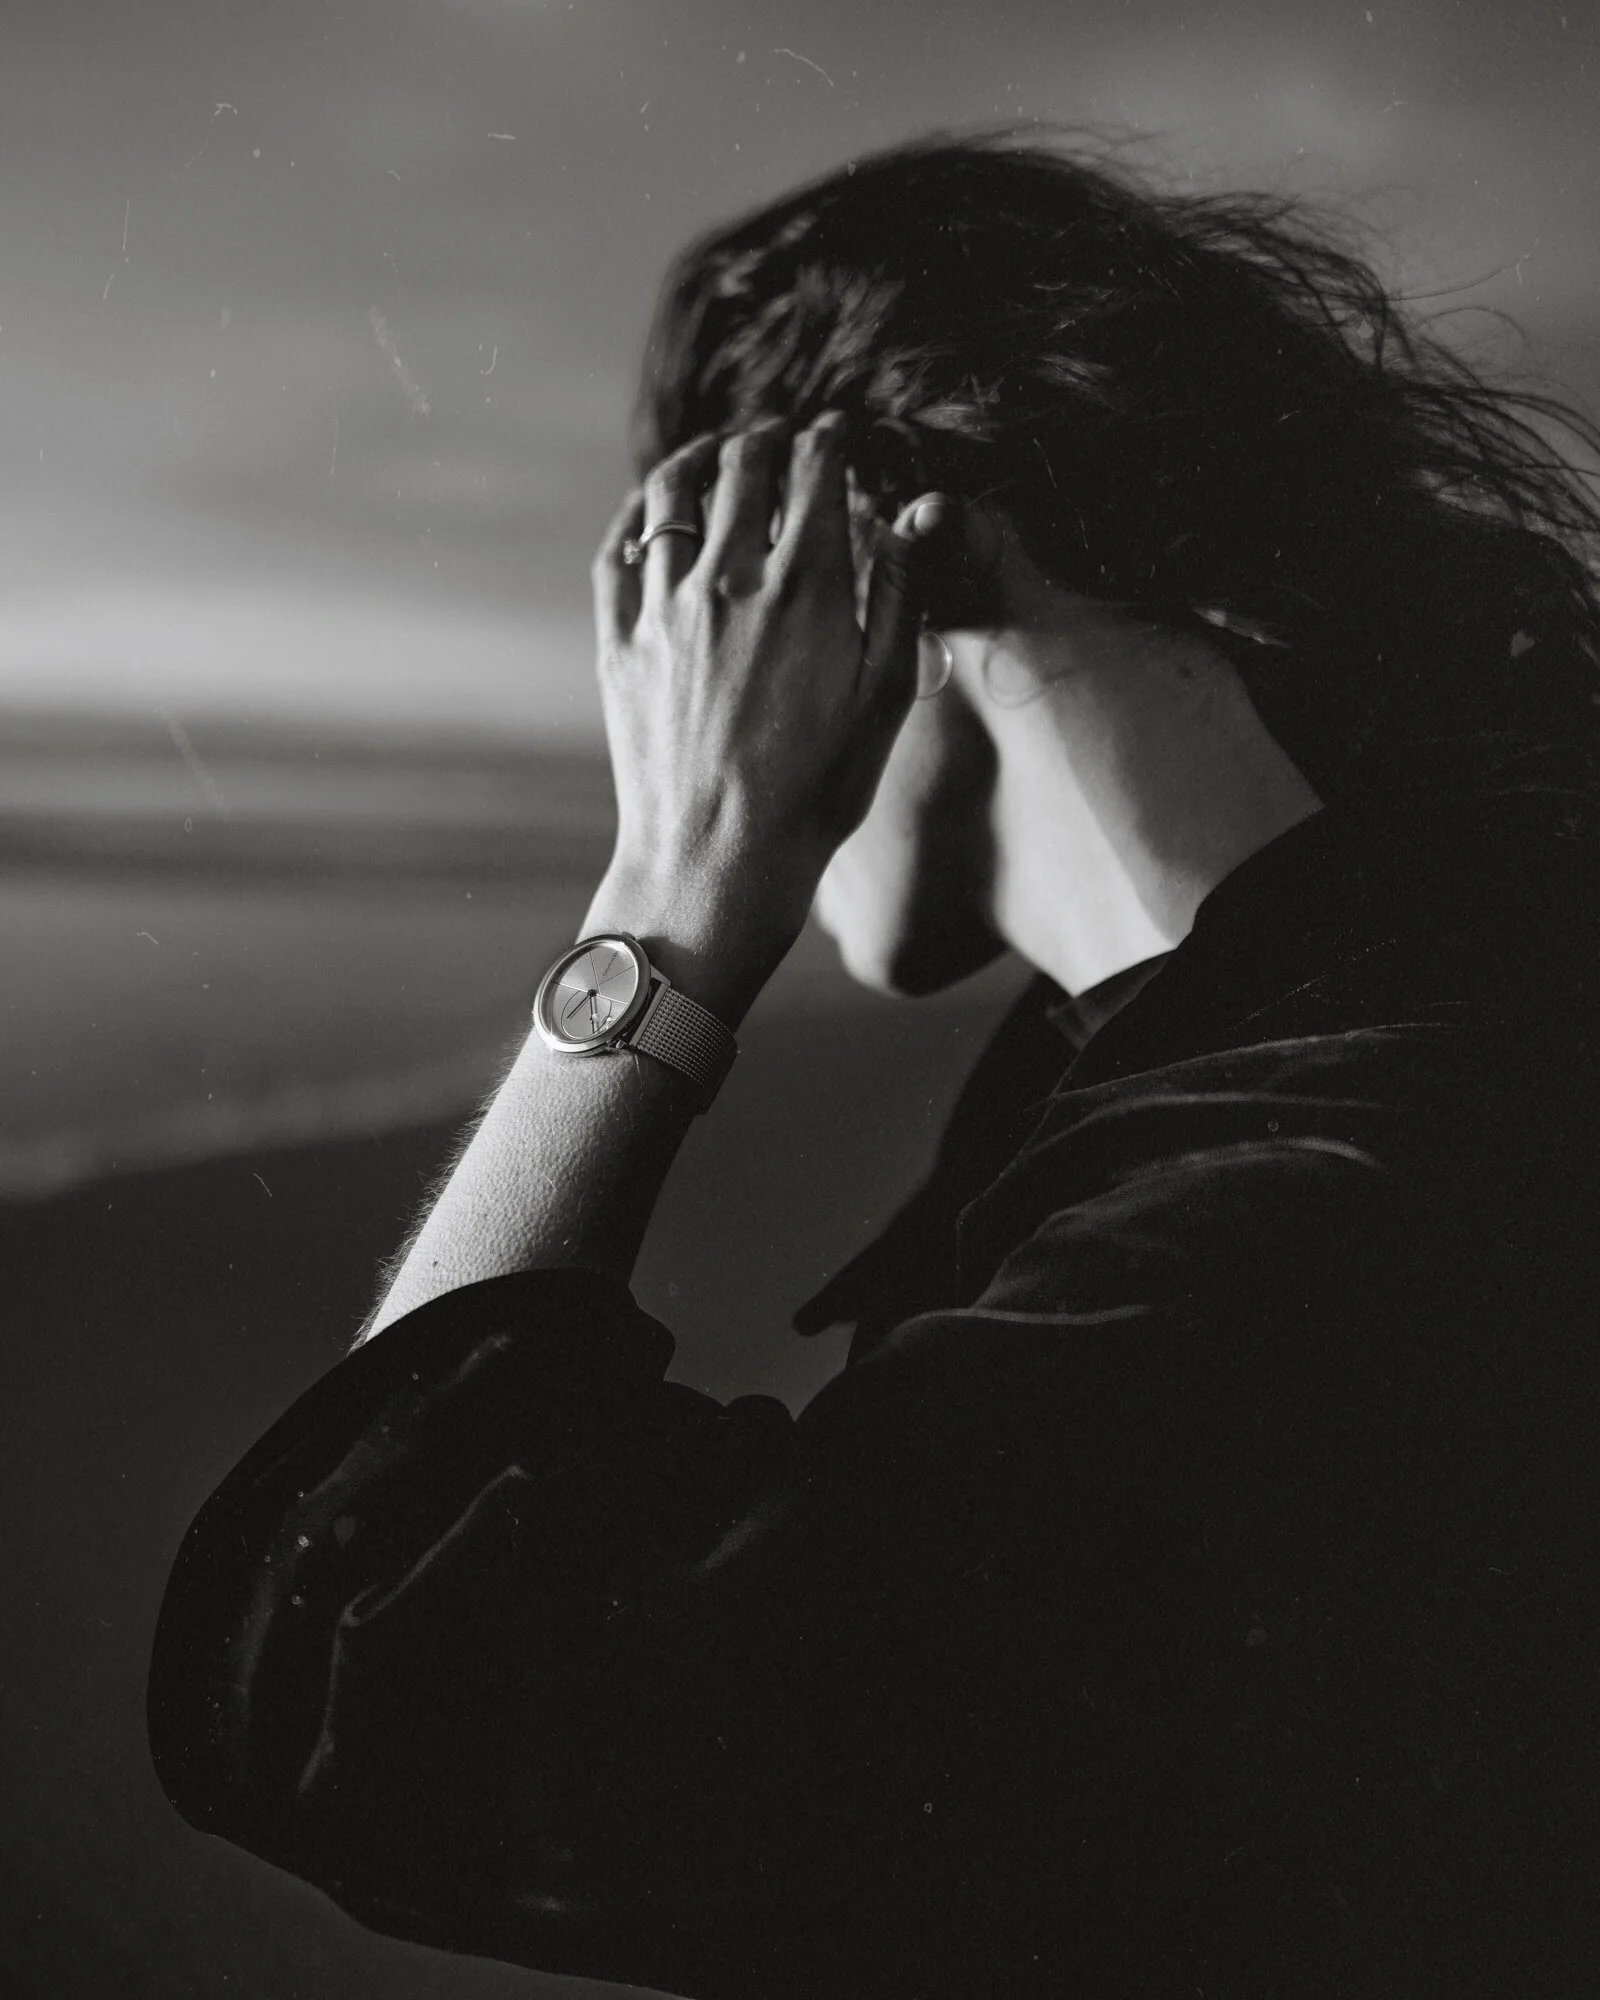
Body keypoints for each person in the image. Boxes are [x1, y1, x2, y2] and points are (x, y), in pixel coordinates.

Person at [148, 136, 1600, 1997]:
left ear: (879, 563)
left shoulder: (1319, 1178)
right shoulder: (1345, 1025)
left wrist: (677, 884)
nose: (670, 701)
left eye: (707, 611)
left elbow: (363, 1676)